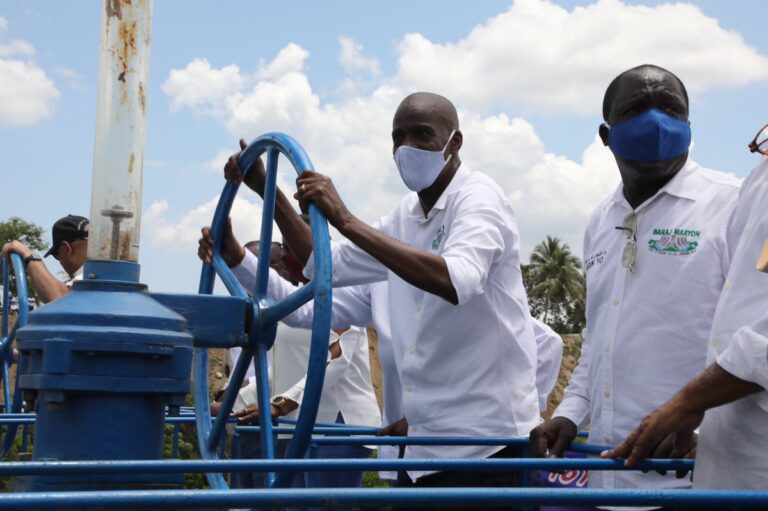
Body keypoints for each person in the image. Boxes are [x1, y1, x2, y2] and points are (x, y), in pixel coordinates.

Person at [224, 92, 540, 509]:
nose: (407, 147)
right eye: (398, 137)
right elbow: (327, 264)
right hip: (421, 450)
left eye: (422, 135)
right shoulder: (404, 216)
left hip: (486, 448)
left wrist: (346, 220)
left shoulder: (477, 197)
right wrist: (270, 193)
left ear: (455, 142)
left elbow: (457, 278)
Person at [529, 64, 740, 506]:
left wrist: (700, 427)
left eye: (669, 108)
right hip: (608, 475)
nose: (656, 120)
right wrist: (569, 413)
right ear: (606, 136)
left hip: (695, 477)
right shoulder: (601, 220)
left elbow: (756, 339)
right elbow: (597, 340)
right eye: (637, 108)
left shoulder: (731, 203)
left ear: (688, 125)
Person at [603, 126, 768, 495]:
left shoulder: (721, 198)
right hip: (723, 463)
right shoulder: (758, 179)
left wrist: (687, 403)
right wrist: (703, 425)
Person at [199, 227, 381, 502]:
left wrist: (281, 404)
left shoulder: (344, 297)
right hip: (302, 426)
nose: (284, 257)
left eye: (288, 248)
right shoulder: (297, 304)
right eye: (282, 249)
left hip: (339, 427)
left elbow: (334, 360)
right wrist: (232, 404)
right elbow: (279, 371)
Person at [1, 215, 89, 303]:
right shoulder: (97, 273)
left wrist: (29, 256)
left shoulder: (91, 276)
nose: (60, 263)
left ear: (66, 248)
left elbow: (60, 301)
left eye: (57, 254)